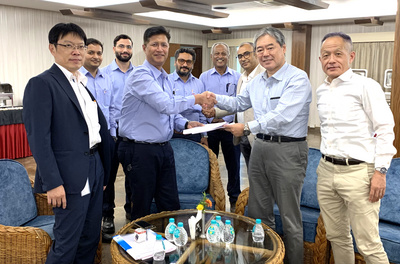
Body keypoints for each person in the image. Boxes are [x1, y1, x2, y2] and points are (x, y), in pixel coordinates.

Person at [208, 27, 312, 264]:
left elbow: (282, 115)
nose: (265, 54)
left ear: (283, 48)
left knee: (289, 217)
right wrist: (214, 99)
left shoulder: (297, 78)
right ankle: (265, 259)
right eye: (260, 49)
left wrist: (246, 127)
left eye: (270, 48)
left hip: (288, 150)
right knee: (259, 212)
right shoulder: (256, 82)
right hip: (260, 148)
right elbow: (238, 102)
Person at [23, 23, 111, 264]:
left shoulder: (80, 84)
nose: (76, 51)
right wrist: (53, 183)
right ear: (52, 48)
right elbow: (38, 139)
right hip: (66, 176)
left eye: (80, 46)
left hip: (94, 169)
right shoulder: (42, 83)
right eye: (68, 45)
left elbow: (93, 130)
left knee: (90, 237)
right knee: (66, 243)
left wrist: (101, 171)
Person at [117, 26, 215, 221]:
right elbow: (165, 105)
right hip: (140, 151)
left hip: (163, 148)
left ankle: (171, 246)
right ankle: (140, 248)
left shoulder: (164, 77)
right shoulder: (140, 75)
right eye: (155, 44)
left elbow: (170, 114)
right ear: (145, 48)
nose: (160, 49)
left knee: (170, 203)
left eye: (164, 44)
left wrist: (186, 124)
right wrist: (197, 98)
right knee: (141, 207)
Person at [316, 32, 396, 264]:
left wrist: (380, 172)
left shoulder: (366, 86)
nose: (331, 59)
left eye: (337, 54)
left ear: (350, 56)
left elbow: (385, 129)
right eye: (326, 55)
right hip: (326, 170)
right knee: (337, 237)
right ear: (320, 60)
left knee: (368, 244)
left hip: (359, 173)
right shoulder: (322, 90)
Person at [203, 42, 264, 168]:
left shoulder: (264, 76)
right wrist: (215, 113)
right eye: (240, 56)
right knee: (252, 173)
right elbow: (239, 103)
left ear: (256, 54)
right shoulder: (242, 78)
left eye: (247, 54)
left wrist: (216, 100)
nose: (243, 58)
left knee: (260, 174)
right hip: (242, 135)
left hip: (257, 135)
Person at [199, 42, 241, 211]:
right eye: (217, 54)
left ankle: (234, 198)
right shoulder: (204, 77)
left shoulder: (237, 77)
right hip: (210, 129)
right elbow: (200, 104)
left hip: (230, 128)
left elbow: (240, 103)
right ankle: (211, 195)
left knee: (234, 165)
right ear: (211, 57)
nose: (220, 56)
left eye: (223, 53)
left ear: (228, 56)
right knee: (210, 164)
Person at [102, 34, 134, 237]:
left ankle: (132, 214)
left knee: (133, 177)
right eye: (121, 46)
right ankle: (107, 216)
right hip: (111, 136)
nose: (125, 50)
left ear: (132, 49)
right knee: (109, 177)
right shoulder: (104, 74)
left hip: (133, 135)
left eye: (128, 47)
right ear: (114, 49)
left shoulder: (140, 73)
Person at [170, 47, 207, 144]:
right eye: (181, 61)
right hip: (174, 133)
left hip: (195, 134)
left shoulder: (199, 84)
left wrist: (204, 135)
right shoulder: (167, 82)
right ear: (175, 62)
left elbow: (202, 112)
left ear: (193, 65)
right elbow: (167, 109)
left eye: (189, 62)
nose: (185, 64)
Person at [79, 38, 114, 129]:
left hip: (105, 131)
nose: (96, 57)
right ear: (82, 53)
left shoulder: (107, 79)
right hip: (85, 133)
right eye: (91, 53)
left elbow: (111, 108)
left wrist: (113, 133)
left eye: (99, 53)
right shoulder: (76, 78)